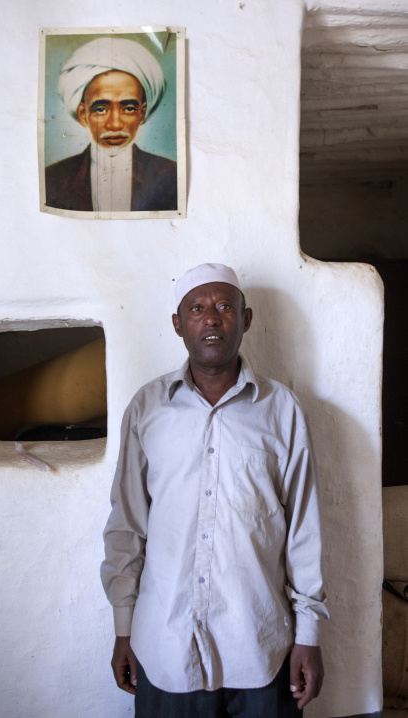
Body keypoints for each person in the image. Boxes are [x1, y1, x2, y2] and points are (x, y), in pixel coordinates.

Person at [101, 263, 329, 717]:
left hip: (261, 649)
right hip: (164, 649)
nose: (211, 318)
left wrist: (309, 636)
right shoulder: (147, 408)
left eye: (225, 306)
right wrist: (124, 627)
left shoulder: (281, 410)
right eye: (197, 308)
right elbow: (127, 525)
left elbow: (304, 528)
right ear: (178, 324)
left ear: (245, 319)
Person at [45, 38, 177, 213]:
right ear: (83, 115)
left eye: (129, 108)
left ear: (142, 113)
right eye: (100, 109)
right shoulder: (53, 177)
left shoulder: (171, 175)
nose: (115, 124)